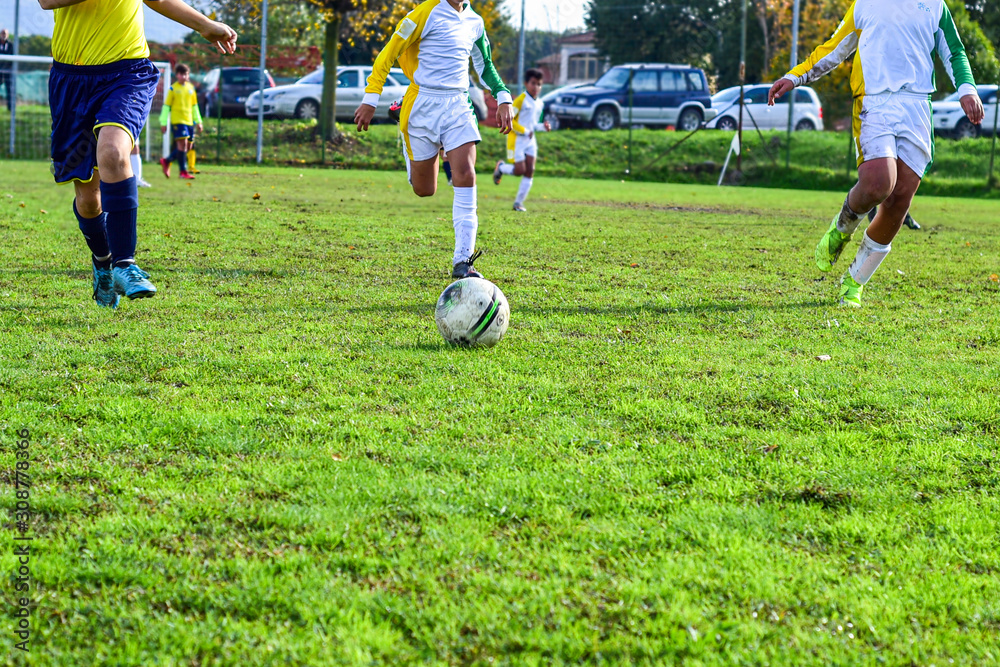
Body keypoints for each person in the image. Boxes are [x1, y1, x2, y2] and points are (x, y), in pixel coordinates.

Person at [769, 0, 983, 307]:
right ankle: (842, 227)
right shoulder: (865, 4)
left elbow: (955, 51)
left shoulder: (936, 6)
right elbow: (834, 47)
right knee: (878, 184)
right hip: (874, 103)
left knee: (898, 203)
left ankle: (854, 283)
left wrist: (967, 88)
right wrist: (796, 76)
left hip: (917, 106)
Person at [39, 0, 235, 308]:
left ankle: (125, 264)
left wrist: (204, 25)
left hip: (127, 73)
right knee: (89, 201)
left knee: (114, 152)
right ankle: (102, 262)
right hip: (71, 81)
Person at [354, 0, 514, 280]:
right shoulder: (424, 13)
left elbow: (485, 65)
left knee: (466, 174)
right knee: (424, 189)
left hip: (458, 105)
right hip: (421, 105)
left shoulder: (475, 22)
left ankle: (463, 261)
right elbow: (388, 54)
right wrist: (370, 98)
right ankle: (405, 117)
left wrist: (503, 96)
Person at [493, 68, 550, 212]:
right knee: (520, 170)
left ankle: (518, 203)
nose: (536, 87)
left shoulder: (540, 103)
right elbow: (511, 121)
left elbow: (533, 125)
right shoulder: (520, 100)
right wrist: (525, 131)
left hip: (530, 141)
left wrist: (543, 127)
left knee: (530, 170)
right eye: (533, 83)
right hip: (517, 140)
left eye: (539, 84)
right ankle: (500, 167)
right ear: (526, 83)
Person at [159, 63, 201, 180]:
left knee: (187, 146)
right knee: (182, 145)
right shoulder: (173, 89)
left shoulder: (191, 89)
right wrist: (163, 122)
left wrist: (199, 121)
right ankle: (183, 172)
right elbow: (166, 106)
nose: (184, 76)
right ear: (177, 75)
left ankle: (167, 160)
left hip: (189, 121)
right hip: (178, 121)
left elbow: (194, 106)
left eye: (186, 74)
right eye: (181, 74)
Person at [0, 29, 13, 112]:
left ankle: (10, 108)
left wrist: (7, 67)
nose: (4, 35)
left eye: (5, 33)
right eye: (2, 33)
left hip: (8, 71)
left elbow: (12, 56)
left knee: (9, 89)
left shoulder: (11, 44)